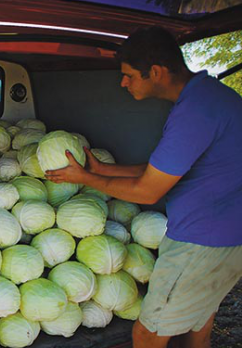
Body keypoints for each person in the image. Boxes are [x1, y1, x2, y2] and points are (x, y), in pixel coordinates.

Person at [45, 26, 242, 348]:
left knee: (148, 333)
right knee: (198, 324)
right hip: (229, 235)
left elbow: (149, 191)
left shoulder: (195, 112)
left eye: (128, 75)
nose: (123, 83)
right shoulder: (211, 98)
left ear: (156, 72)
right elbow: (167, 168)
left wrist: (85, 179)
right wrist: (105, 169)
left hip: (201, 242)